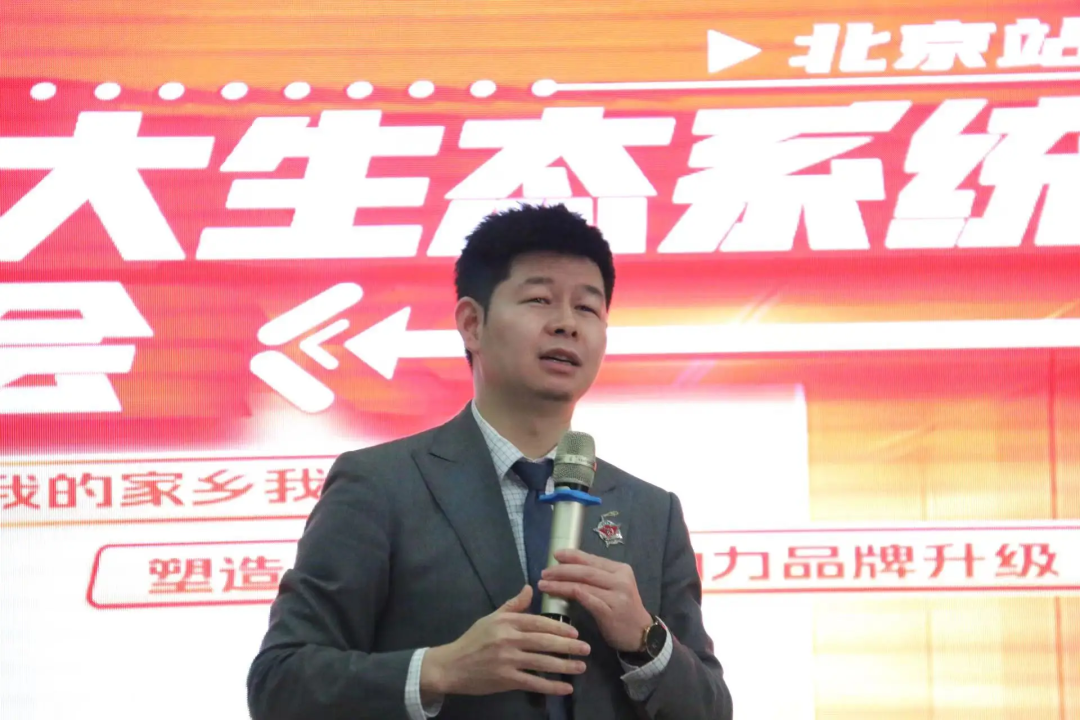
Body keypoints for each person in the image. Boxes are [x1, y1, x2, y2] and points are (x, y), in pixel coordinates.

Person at [247, 204, 733, 720]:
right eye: (540, 299)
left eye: (587, 308)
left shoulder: (651, 512)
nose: (567, 324)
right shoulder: (380, 486)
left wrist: (646, 639)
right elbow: (280, 684)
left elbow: (711, 709)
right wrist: (439, 670)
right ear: (472, 324)